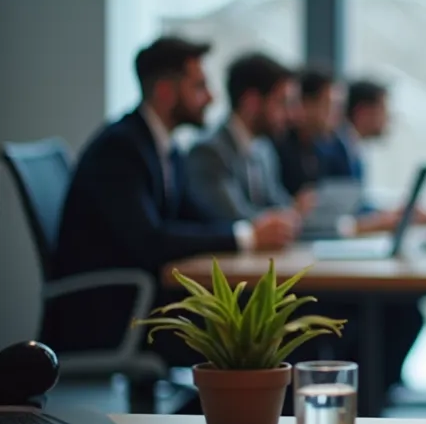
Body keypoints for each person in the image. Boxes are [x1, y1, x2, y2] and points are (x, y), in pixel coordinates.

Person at [48, 37, 297, 355]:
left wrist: (249, 231)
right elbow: (150, 241)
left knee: (268, 319)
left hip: (147, 300)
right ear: (165, 92)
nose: (211, 97)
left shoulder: (166, 147)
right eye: (199, 86)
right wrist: (245, 237)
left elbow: (197, 216)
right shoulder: (121, 148)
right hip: (111, 311)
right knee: (262, 330)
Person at [187, 52, 312, 222]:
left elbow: (277, 204)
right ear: (251, 103)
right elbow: (234, 217)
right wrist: (290, 214)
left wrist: (297, 209)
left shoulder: (264, 149)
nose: (293, 115)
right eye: (283, 102)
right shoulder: (209, 152)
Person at [276, 66, 344, 196]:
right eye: (329, 106)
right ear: (304, 104)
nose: (337, 115)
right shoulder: (278, 146)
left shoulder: (320, 150)